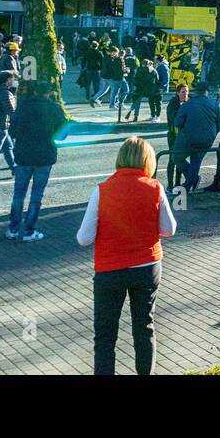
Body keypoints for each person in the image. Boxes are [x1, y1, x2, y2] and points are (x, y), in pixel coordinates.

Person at [77, 136, 176, 375]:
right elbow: (169, 229)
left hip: (110, 269)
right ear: (147, 161)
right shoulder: (155, 188)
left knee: (105, 336)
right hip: (147, 266)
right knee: (144, 327)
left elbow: (83, 238)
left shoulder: (101, 191)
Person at [7, 80, 67, 241]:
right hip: (44, 154)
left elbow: (12, 131)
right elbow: (62, 134)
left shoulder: (23, 106)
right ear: (49, 92)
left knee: (18, 194)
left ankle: (13, 228)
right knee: (36, 195)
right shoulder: (54, 108)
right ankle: (29, 231)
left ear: (35, 92)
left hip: (23, 154)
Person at [172, 82, 220, 192]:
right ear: (206, 92)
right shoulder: (214, 104)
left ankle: (191, 181)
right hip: (207, 139)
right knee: (196, 161)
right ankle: (189, 183)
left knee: (176, 158)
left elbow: (177, 122)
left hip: (189, 139)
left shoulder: (188, 104)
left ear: (195, 91)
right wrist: (212, 135)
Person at [165, 83, 189, 193]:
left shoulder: (188, 103)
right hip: (173, 136)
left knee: (180, 159)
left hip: (183, 136)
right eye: (183, 92)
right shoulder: (173, 103)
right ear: (177, 93)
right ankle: (170, 185)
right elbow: (173, 119)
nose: (185, 94)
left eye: (187, 91)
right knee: (172, 159)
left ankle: (178, 183)